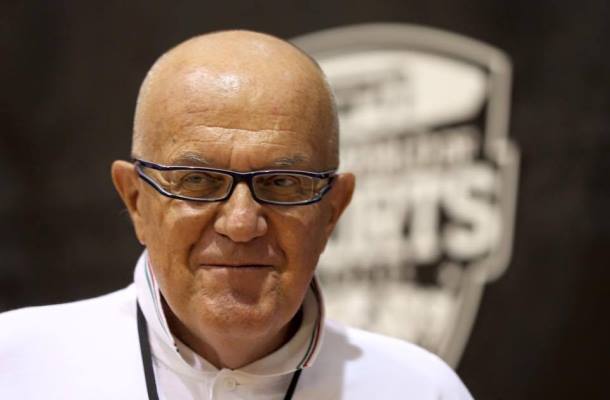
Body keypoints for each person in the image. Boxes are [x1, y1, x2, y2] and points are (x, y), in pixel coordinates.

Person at [0, 30, 473, 399]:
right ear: (136, 201)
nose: (242, 223)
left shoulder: (420, 390)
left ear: (332, 211)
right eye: (197, 181)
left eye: (282, 183)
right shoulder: (15, 367)